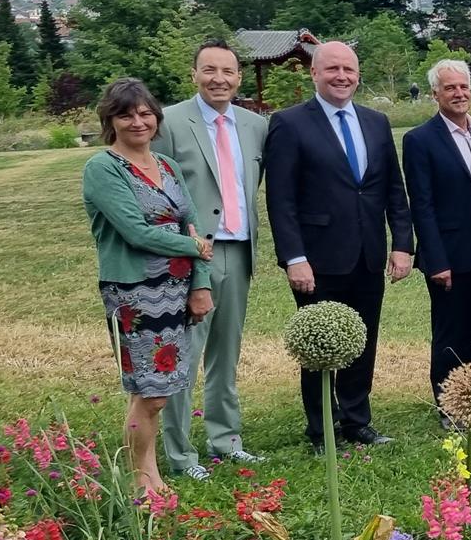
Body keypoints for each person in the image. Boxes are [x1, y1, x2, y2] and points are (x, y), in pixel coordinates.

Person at [264, 41, 413, 454]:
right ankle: (321, 430)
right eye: (332, 69)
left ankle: (357, 420)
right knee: (320, 345)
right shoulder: (290, 123)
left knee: (362, 341)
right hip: (317, 258)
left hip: (368, 253)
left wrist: (402, 244)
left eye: (349, 68)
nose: (342, 76)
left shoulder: (376, 122)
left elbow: (393, 190)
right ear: (314, 73)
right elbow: (281, 199)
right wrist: (295, 258)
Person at [83, 78, 213, 497]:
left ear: (156, 117)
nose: (138, 121)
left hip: (176, 288)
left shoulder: (168, 166)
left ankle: (150, 470)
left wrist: (200, 282)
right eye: (126, 114)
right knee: (150, 391)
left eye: (144, 113)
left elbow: (192, 225)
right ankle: (143, 479)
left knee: (166, 385)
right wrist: (193, 244)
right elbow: (137, 233)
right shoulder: (103, 168)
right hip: (136, 292)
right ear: (110, 120)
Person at [153, 38, 266, 477]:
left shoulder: (255, 126)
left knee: (226, 353)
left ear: (238, 77)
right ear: (194, 74)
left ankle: (225, 439)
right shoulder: (171, 123)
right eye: (210, 70)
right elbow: (158, 194)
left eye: (228, 71)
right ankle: (180, 454)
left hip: (238, 251)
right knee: (182, 356)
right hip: (190, 257)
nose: (219, 79)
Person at [402, 58, 471, 425]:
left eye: (463, 87)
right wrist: (436, 259)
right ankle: (449, 404)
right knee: (451, 331)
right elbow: (422, 206)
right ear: (435, 94)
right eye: (449, 88)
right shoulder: (420, 140)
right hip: (448, 253)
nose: (458, 93)